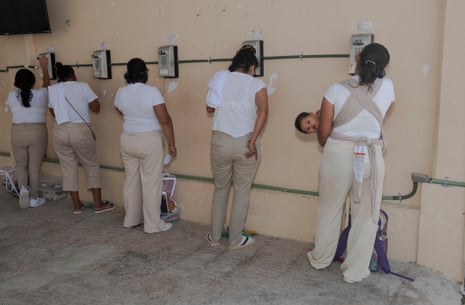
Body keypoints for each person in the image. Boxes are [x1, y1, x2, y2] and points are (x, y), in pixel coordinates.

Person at [307, 43, 395, 283]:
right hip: (372, 156)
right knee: (367, 216)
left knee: (329, 209)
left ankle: (321, 259)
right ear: (384, 66)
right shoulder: (388, 87)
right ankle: (356, 271)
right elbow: (382, 114)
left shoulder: (335, 89)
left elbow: (323, 133)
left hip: (338, 153)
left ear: (358, 58)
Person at [205, 45, 269, 249]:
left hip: (220, 140)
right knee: (242, 192)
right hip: (245, 142)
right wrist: (252, 140)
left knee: (221, 189)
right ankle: (235, 240)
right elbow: (263, 112)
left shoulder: (221, 79)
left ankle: (214, 237)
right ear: (251, 67)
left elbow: (209, 107)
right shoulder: (257, 84)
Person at [114, 58, 176, 233]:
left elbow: (119, 109)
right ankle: (152, 224)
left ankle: (131, 219)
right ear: (145, 73)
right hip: (149, 140)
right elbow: (165, 120)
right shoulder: (152, 92)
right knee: (151, 183)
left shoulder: (121, 92)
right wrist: (172, 142)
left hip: (127, 139)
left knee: (131, 180)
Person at [48, 63, 114, 214]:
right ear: (73, 74)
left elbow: (53, 113)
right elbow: (96, 108)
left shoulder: (53, 90)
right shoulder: (83, 86)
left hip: (60, 131)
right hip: (80, 130)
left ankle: (77, 206)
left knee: (68, 168)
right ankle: (98, 204)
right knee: (91, 165)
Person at [6, 56, 50, 209]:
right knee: (34, 167)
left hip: (17, 132)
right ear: (33, 81)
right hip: (37, 131)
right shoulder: (41, 94)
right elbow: (47, 84)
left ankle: (23, 190)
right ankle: (33, 198)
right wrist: (44, 66)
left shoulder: (12, 95)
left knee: (20, 166)